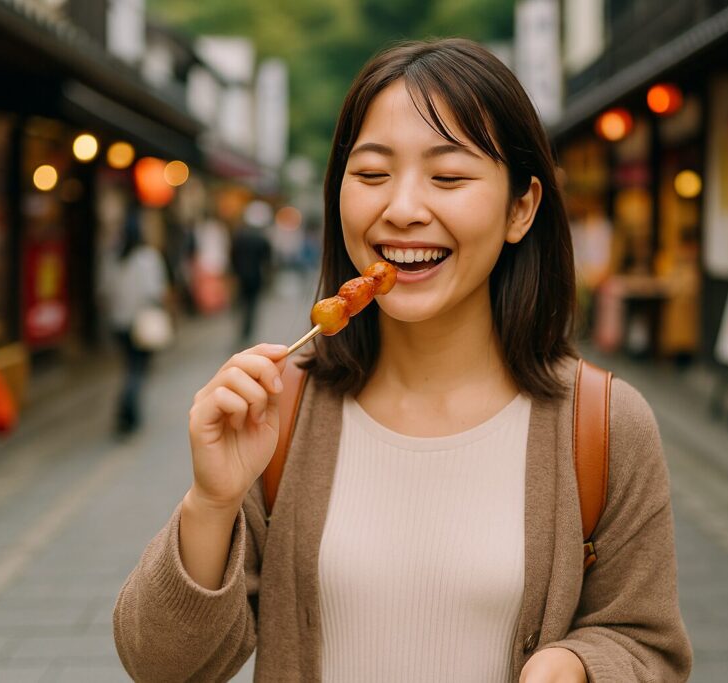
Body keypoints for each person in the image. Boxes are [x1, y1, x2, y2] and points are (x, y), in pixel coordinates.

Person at [114, 38, 692, 682]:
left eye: (448, 176)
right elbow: (160, 666)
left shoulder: (606, 426)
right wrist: (212, 502)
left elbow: (648, 644)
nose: (403, 210)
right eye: (370, 175)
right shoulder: (279, 412)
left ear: (521, 208)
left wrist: (581, 665)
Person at [104, 209, 167, 436]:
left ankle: (126, 411)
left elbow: (105, 290)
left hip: (119, 321)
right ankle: (128, 412)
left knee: (129, 366)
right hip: (141, 322)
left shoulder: (113, 257)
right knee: (138, 369)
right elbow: (155, 291)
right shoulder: (148, 258)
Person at [230, 217, 273, 348]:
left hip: (241, 276)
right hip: (255, 276)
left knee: (242, 303)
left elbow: (232, 255)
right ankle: (248, 330)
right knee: (252, 305)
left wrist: (235, 271)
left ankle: (242, 330)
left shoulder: (239, 237)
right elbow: (267, 257)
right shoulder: (261, 238)